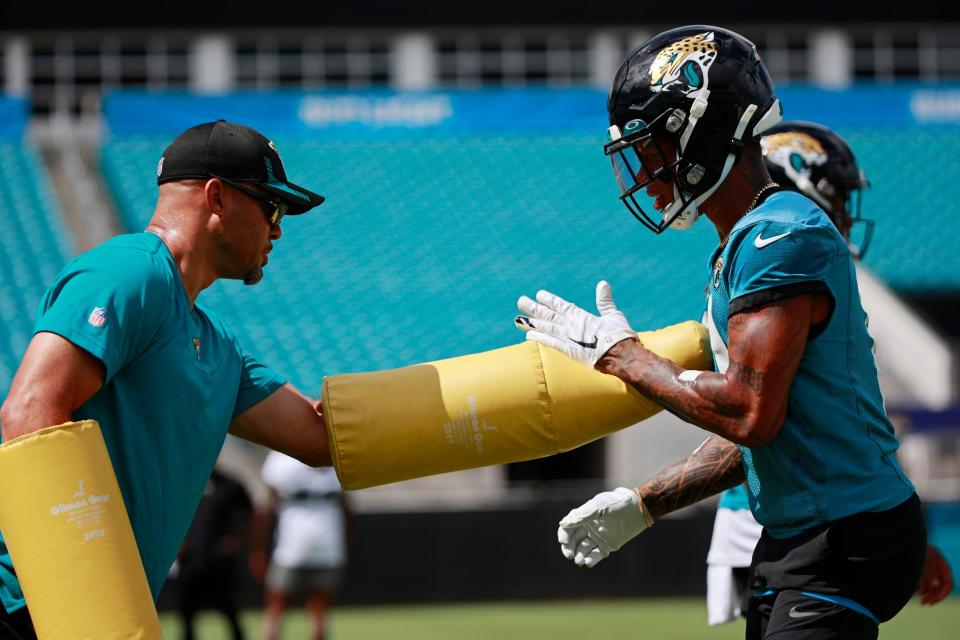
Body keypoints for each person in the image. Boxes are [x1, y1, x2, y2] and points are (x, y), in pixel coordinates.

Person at [515, 26, 927, 639]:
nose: (642, 171)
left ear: (699, 132)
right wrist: (646, 501)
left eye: (651, 147)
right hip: (802, 535)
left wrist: (624, 357)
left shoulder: (780, 236)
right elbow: (767, 433)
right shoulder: (748, 242)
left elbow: (749, 414)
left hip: (844, 535)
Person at [0, 119, 330, 639]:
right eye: (272, 207)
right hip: (34, 614)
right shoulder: (129, 273)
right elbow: (29, 415)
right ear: (216, 196)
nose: (278, 228)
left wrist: (503, 385)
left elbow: (320, 436)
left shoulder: (216, 343)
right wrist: (90, 615)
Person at [705, 120, 952, 627]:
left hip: (790, 513)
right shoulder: (779, 259)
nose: (843, 215)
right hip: (783, 512)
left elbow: (843, 427)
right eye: (835, 198)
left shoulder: (775, 262)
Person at [251, 451, 348, 640]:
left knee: (275, 609)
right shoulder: (337, 453)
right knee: (319, 612)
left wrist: (258, 549)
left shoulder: (280, 457)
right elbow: (348, 509)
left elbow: (266, 507)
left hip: (291, 546)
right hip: (330, 544)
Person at [177, 467, 253, 640]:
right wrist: (176, 544)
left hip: (219, 563)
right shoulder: (182, 484)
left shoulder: (229, 485)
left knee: (230, 611)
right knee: (187, 616)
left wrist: (236, 539)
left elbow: (249, 512)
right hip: (190, 562)